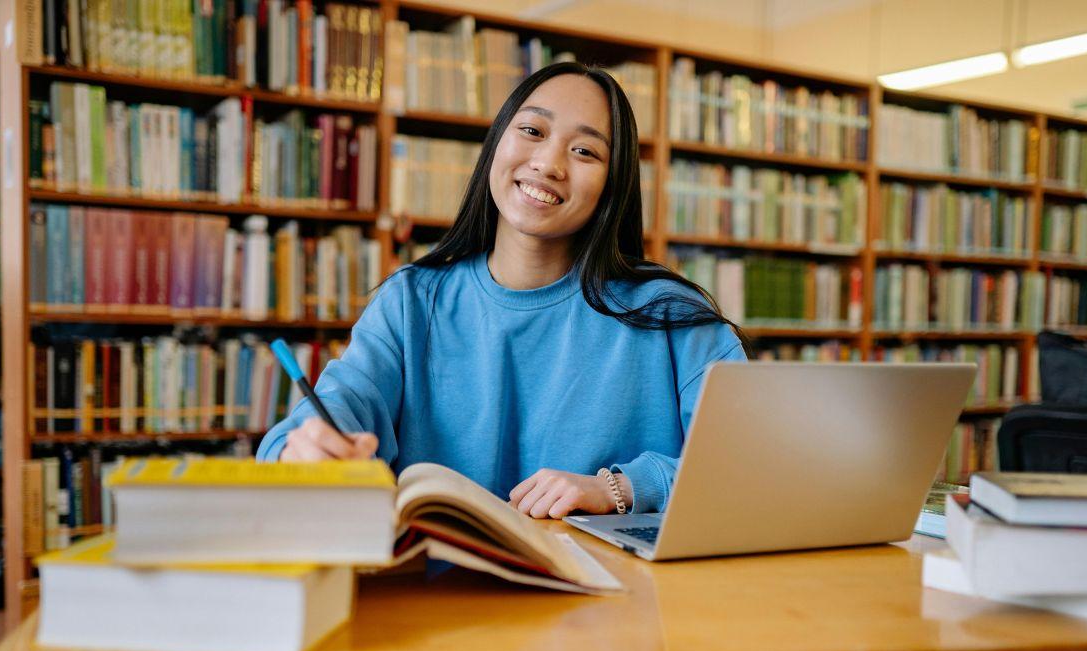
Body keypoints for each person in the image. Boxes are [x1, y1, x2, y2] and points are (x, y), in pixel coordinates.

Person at [257, 62, 746, 518]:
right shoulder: (410, 303)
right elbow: (342, 403)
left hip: (608, 584)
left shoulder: (672, 314)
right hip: (439, 581)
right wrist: (303, 447)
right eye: (532, 131)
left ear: (612, 184)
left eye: (584, 151)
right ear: (496, 143)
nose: (549, 163)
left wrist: (620, 488)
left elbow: (750, 467)